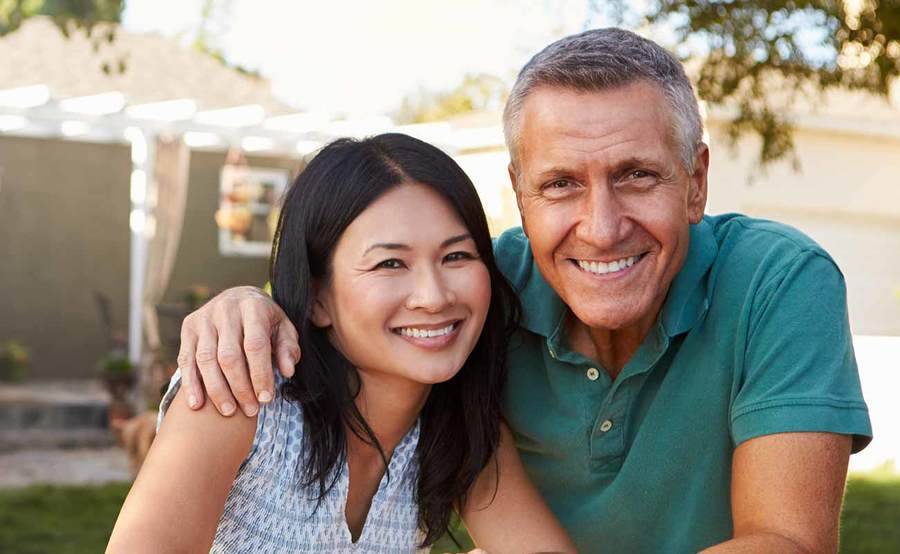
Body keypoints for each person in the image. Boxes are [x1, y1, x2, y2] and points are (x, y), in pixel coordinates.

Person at [175, 29, 872, 553]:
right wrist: (248, 305)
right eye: (561, 183)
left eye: (636, 175)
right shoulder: (477, 295)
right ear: (519, 194)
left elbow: (787, 543)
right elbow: (349, 305)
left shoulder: (778, 281)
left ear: (695, 184)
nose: (601, 229)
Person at [108, 134, 576, 553]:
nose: (434, 297)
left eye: (456, 255)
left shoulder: (461, 429)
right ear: (316, 299)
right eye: (390, 264)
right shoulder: (240, 397)